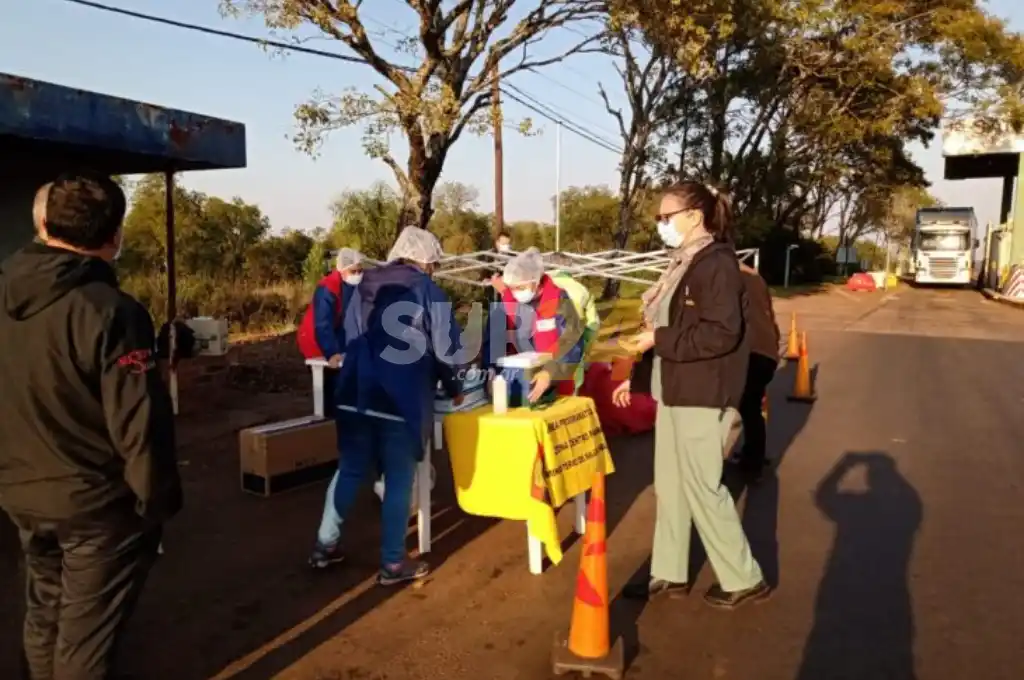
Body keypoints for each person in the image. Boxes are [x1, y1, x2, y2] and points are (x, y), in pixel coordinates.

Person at [0, 172, 182, 679]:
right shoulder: (112, 313)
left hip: (20, 494)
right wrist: (155, 501)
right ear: (115, 236)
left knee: (43, 614)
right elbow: (139, 423)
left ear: (40, 224)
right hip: (95, 505)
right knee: (85, 638)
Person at [613, 180, 769, 609]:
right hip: (675, 388)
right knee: (671, 484)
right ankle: (670, 570)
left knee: (702, 485)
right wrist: (641, 374)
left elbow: (720, 334)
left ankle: (743, 577)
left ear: (694, 217)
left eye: (666, 217)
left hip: (703, 391)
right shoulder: (684, 262)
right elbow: (666, 329)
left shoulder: (714, 264)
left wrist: (656, 341)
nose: (660, 224)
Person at [308, 226, 463, 585]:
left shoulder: (363, 286)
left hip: (353, 393)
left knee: (348, 470)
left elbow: (350, 337)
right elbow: (446, 350)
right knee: (398, 480)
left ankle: (323, 546)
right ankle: (393, 564)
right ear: (425, 261)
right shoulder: (429, 291)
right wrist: (454, 385)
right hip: (399, 400)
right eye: (434, 264)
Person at [483, 248, 586, 404]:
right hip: (514, 383)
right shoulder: (507, 304)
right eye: (512, 288)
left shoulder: (559, 300)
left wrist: (549, 373)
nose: (515, 292)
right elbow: (493, 340)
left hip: (555, 386)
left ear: (536, 282)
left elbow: (572, 341)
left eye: (520, 288)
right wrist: (490, 371)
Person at [296, 247, 364, 417]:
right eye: (354, 271)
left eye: (360, 270)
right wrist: (331, 352)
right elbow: (322, 324)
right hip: (314, 339)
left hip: (335, 334)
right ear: (342, 270)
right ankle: (327, 422)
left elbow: (353, 317)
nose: (358, 274)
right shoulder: (327, 289)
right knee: (329, 381)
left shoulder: (351, 285)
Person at [730, 261, 780, 482]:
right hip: (767, 351)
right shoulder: (756, 277)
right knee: (751, 408)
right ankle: (753, 456)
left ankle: (752, 464)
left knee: (726, 408)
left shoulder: (723, 274)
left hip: (746, 352)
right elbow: (769, 314)